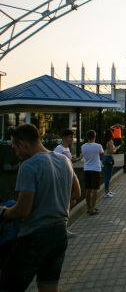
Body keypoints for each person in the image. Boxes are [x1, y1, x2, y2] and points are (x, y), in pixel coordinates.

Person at [0, 124, 81, 292]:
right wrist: (59, 208)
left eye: (16, 148)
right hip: (60, 235)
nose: (16, 153)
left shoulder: (29, 166)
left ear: (24, 144)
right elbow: (77, 192)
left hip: (34, 238)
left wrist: (5, 212)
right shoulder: (64, 159)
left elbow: (23, 210)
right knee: (48, 286)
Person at [53, 129, 77, 238]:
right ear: (64, 137)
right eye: (70, 137)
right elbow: (55, 163)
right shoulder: (59, 149)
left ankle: (64, 227)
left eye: (72, 137)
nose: (72, 139)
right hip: (62, 179)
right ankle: (62, 228)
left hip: (69, 177)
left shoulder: (67, 148)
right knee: (65, 202)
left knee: (71, 200)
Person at [81, 130, 103, 215]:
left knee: (88, 189)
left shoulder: (83, 146)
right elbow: (102, 155)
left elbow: (83, 155)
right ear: (94, 136)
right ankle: (92, 208)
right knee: (95, 190)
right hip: (96, 169)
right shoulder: (98, 146)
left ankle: (88, 207)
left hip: (86, 168)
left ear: (87, 137)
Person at [102, 129, 119, 198]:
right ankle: (106, 192)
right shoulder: (110, 142)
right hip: (109, 158)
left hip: (105, 158)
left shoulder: (105, 141)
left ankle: (108, 191)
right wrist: (117, 148)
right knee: (108, 177)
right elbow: (112, 151)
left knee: (107, 175)